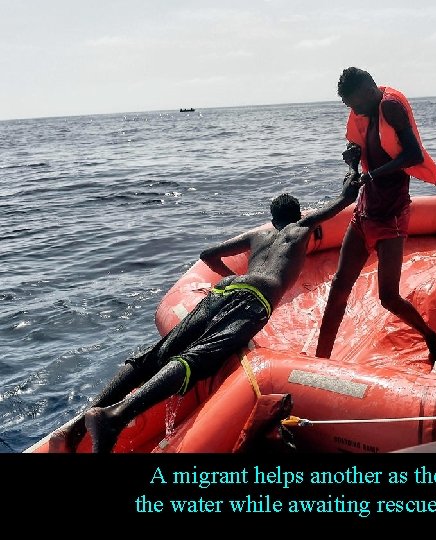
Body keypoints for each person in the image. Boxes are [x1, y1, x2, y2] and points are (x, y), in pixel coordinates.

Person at [48, 172, 361, 453]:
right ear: (296, 216)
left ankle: (77, 424)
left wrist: (235, 282)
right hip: (253, 298)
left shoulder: (259, 236)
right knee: (199, 358)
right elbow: (343, 201)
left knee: (160, 353)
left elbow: (208, 254)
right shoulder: (299, 229)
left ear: (272, 219)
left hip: (225, 287)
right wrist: (353, 171)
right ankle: (114, 417)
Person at [314, 66, 436, 363]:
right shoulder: (365, 113)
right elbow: (361, 150)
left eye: (356, 103)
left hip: (392, 215)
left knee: (388, 297)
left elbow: (413, 155)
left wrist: (373, 176)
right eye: (350, 106)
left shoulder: (391, 107)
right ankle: (320, 360)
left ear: (370, 89)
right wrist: (352, 161)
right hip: (364, 212)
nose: (354, 110)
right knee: (339, 286)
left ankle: (430, 337)